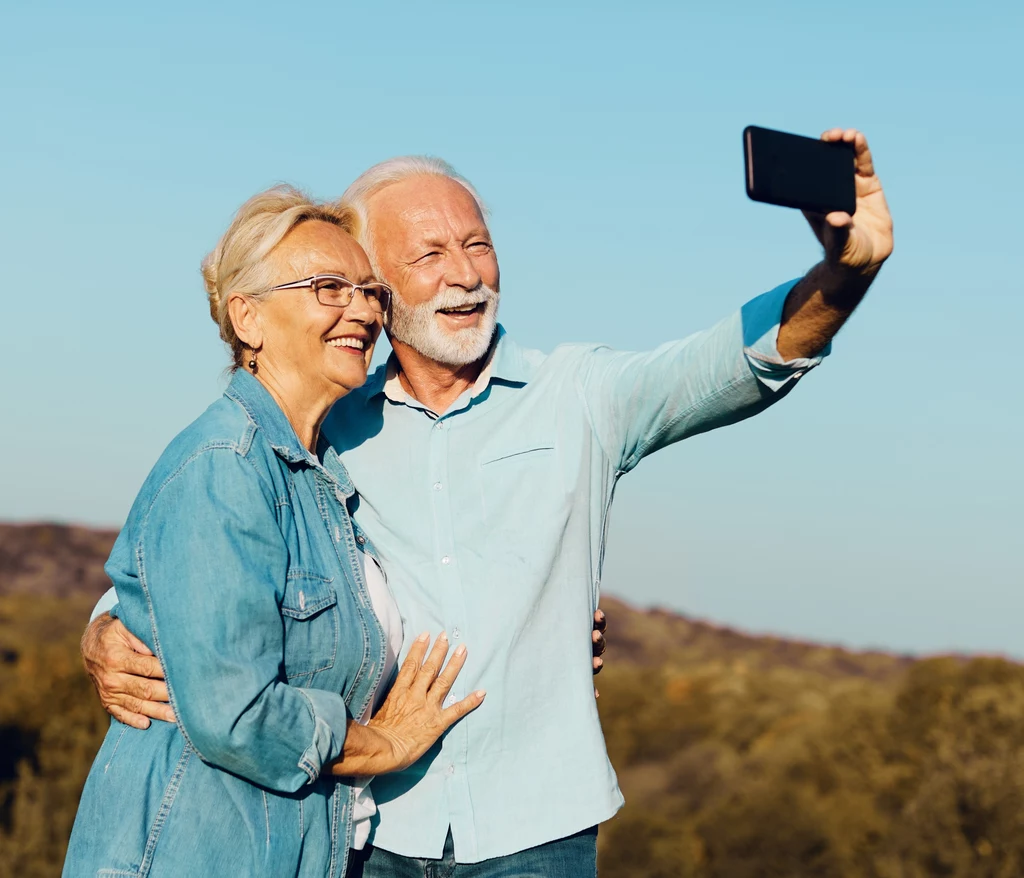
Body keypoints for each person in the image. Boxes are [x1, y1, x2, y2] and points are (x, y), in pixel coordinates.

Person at [84, 128, 893, 876]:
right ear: (377, 288)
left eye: (478, 245)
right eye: (429, 253)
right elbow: (219, 540)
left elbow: (736, 363)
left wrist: (846, 274)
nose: (466, 274)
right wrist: (107, 626)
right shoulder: (331, 421)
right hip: (371, 830)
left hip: (536, 836)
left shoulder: (578, 394)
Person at [64, 187, 484, 878]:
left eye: (370, 291)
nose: (363, 311)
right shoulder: (225, 466)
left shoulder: (321, 476)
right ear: (247, 317)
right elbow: (235, 711)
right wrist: (382, 745)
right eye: (328, 288)